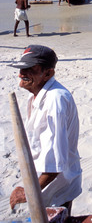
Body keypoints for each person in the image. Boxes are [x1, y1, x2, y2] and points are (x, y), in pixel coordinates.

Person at [9, 45, 82, 213]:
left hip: (56, 190)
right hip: (46, 184)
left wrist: (29, 192)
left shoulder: (54, 101)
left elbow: (54, 165)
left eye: (29, 69)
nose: (21, 74)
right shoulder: (35, 94)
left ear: (48, 73)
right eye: (21, 68)